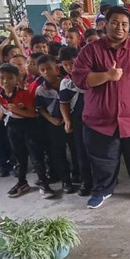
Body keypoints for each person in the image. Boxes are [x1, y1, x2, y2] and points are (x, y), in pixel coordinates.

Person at [72, 6, 130, 209]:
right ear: (106, 24)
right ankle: (103, 189)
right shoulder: (91, 50)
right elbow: (79, 79)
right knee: (103, 160)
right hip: (101, 120)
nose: (119, 27)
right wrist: (106, 76)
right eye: (114, 23)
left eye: (124, 24)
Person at [0, 64, 52, 198]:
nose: (6, 81)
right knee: (19, 157)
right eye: (2, 78)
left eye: (10, 78)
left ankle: (44, 183)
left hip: (29, 127)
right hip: (12, 128)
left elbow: (32, 114)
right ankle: (22, 182)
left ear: (16, 78)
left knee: (36, 157)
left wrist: (17, 110)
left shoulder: (24, 94)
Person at [35, 55, 76, 194]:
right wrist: (50, 119)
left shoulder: (68, 83)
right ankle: (66, 180)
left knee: (76, 150)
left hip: (72, 121)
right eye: (42, 70)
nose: (46, 72)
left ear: (57, 69)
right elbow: (40, 108)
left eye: (49, 68)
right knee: (58, 152)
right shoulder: (40, 90)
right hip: (55, 124)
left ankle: (78, 175)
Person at [58, 46, 92, 197]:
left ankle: (104, 179)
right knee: (81, 151)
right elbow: (63, 103)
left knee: (99, 151)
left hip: (96, 119)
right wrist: (67, 120)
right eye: (65, 65)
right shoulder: (66, 82)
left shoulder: (92, 76)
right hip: (78, 120)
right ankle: (86, 181)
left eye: (72, 63)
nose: (69, 67)